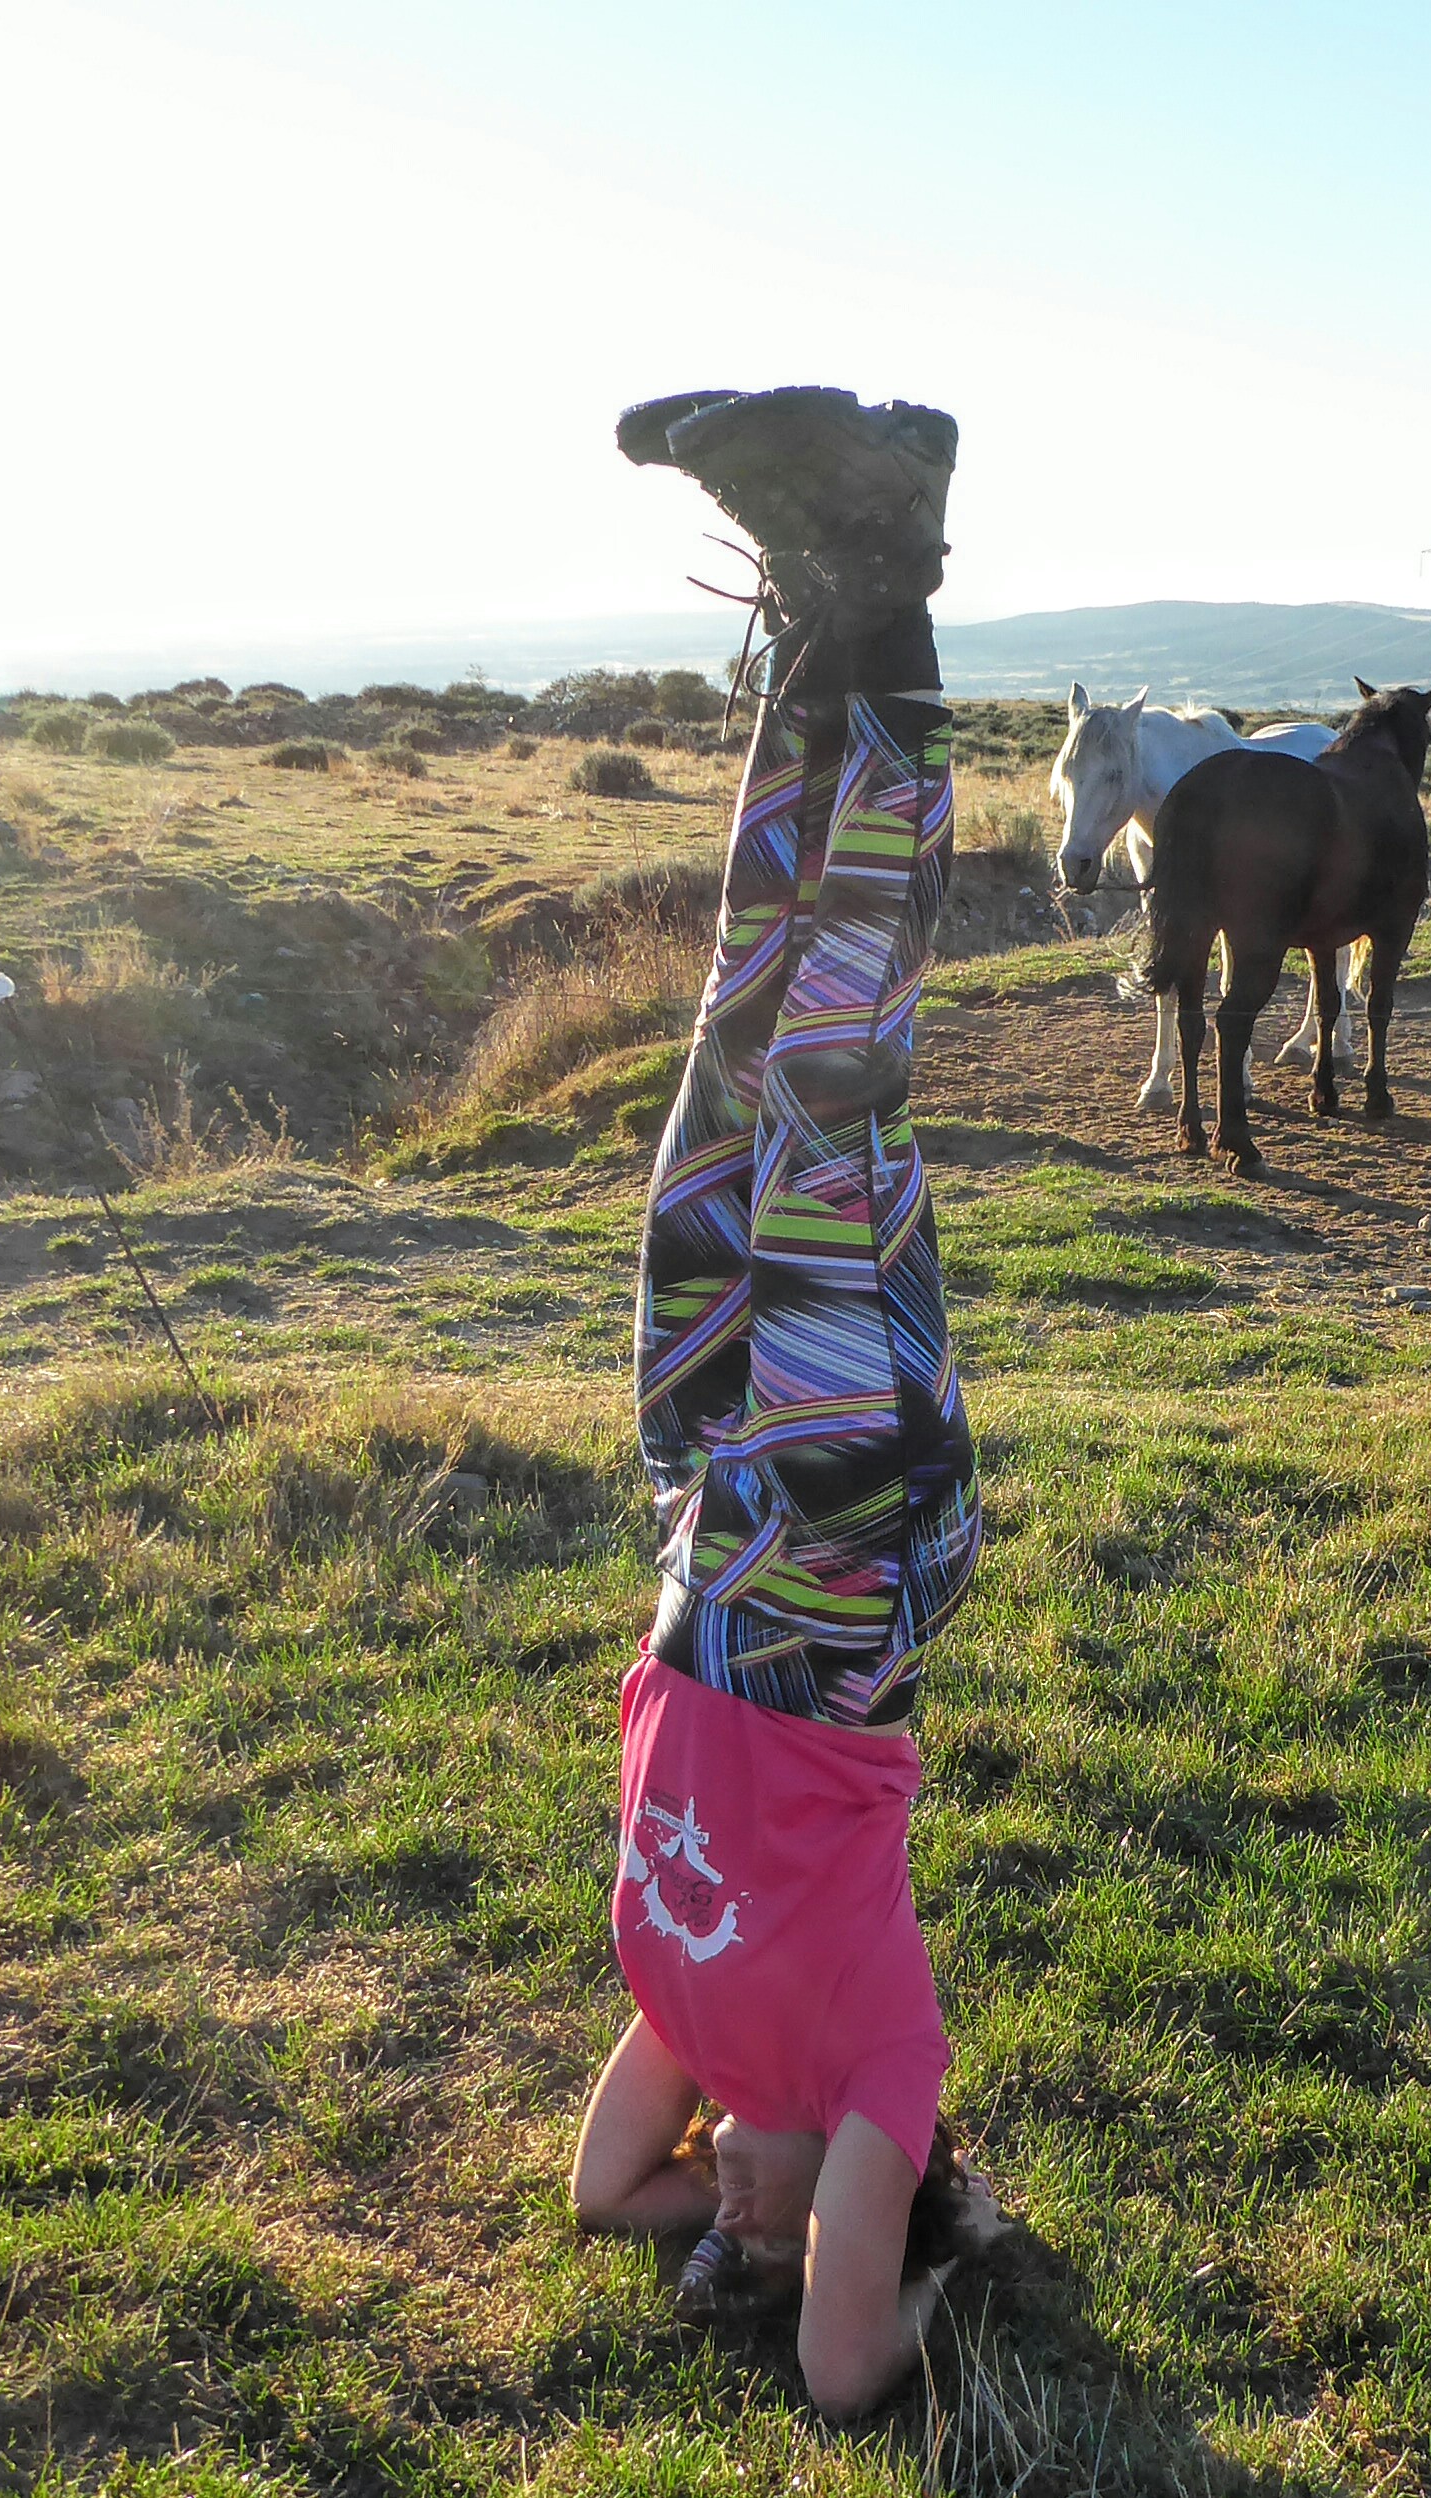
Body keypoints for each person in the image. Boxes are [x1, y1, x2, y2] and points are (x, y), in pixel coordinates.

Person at [566, 387, 997, 2418]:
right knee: (838, 1044)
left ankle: (816, 591)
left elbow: (597, 2192)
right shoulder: (875, 2071)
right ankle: (896, 596)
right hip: (838, 1547)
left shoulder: (690, 2038)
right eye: (768, 2234)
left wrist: (703, 2194)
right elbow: (839, 2376)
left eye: (718, 2233)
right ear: (861, 2193)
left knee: (733, 1021)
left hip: (711, 1510)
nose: (721, 2220)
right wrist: (917, 2257)